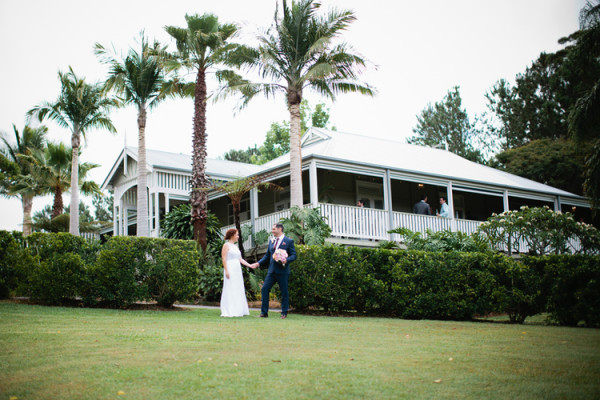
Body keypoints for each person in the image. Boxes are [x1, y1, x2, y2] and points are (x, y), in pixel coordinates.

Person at [251, 223, 297, 319]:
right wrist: (258, 263)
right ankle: (264, 313)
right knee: (264, 289)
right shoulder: (272, 241)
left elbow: (294, 255)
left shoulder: (288, 241)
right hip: (271, 271)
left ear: (280, 229)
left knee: (284, 292)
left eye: (274, 229)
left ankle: (284, 313)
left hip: (283, 271)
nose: (272, 231)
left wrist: (286, 260)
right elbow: (267, 256)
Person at [220, 228, 256, 318]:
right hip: (230, 268)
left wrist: (250, 265)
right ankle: (230, 309)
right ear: (232, 235)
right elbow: (224, 258)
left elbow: (240, 259)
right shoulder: (226, 245)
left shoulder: (235, 247)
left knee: (238, 287)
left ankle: (239, 309)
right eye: (237, 235)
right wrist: (227, 270)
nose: (238, 237)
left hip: (237, 270)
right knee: (230, 287)